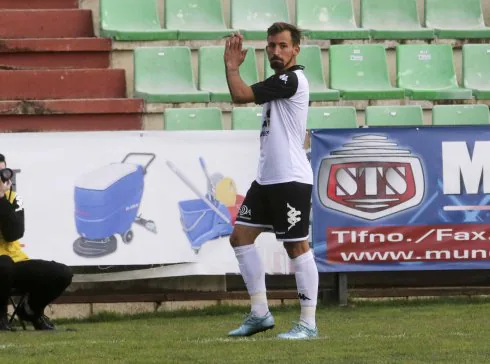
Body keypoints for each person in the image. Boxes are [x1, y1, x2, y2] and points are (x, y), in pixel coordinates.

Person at [224, 22, 318, 340]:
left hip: (290, 178)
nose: (276, 51)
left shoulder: (291, 80)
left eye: (282, 45)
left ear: (295, 50)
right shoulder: (279, 81)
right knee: (240, 238)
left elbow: (239, 95)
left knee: (296, 246)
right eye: (271, 46)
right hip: (267, 179)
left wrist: (230, 66)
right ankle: (260, 314)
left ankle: (307, 322)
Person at [0, 153, 73, 331]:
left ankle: (31, 310)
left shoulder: (14, 199)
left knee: (61, 273)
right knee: (4, 265)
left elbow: (14, 233)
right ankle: (0, 317)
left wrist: (1, 198)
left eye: (2, 173)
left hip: (14, 262)